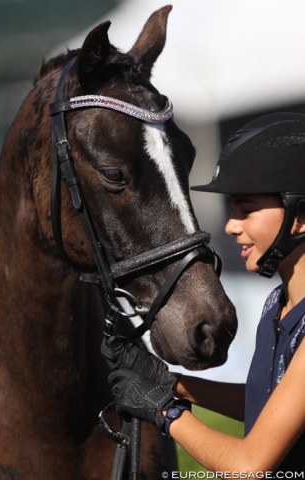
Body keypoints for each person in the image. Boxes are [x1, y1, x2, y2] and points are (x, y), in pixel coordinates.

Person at [103, 112, 305, 475]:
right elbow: (270, 406)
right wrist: (173, 384)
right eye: (231, 210)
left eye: (246, 210)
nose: (230, 225)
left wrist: (165, 413)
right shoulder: (278, 304)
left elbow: (249, 466)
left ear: (300, 217)